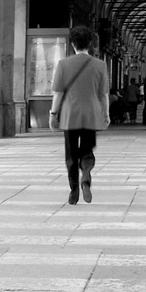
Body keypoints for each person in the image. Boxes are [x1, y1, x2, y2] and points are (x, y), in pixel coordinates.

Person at [49, 25, 110, 205]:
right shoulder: (100, 65)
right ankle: (86, 176)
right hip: (91, 114)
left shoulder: (63, 64)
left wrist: (53, 113)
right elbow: (103, 95)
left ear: (72, 44)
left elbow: (58, 93)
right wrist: (106, 114)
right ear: (89, 43)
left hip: (70, 115)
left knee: (71, 154)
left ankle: (74, 189)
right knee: (87, 151)